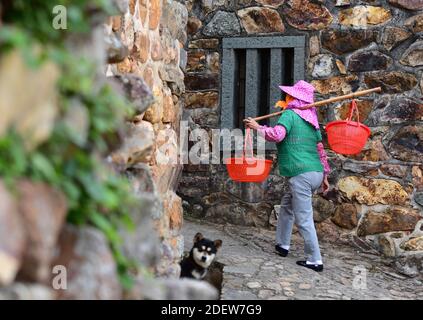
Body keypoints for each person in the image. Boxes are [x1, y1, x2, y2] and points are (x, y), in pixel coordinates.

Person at [244, 80, 330, 272]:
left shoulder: (289, 115)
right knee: (287, 204)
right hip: (315, 172)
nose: (286, 97)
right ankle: (282, 245)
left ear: (294, 98)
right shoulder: (312, 121)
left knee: (304, 217)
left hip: (301, 174)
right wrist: (325, 176)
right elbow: (320, 150)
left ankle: (315, 259)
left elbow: (277, 135)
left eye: (288, 95)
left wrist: (257, 127)